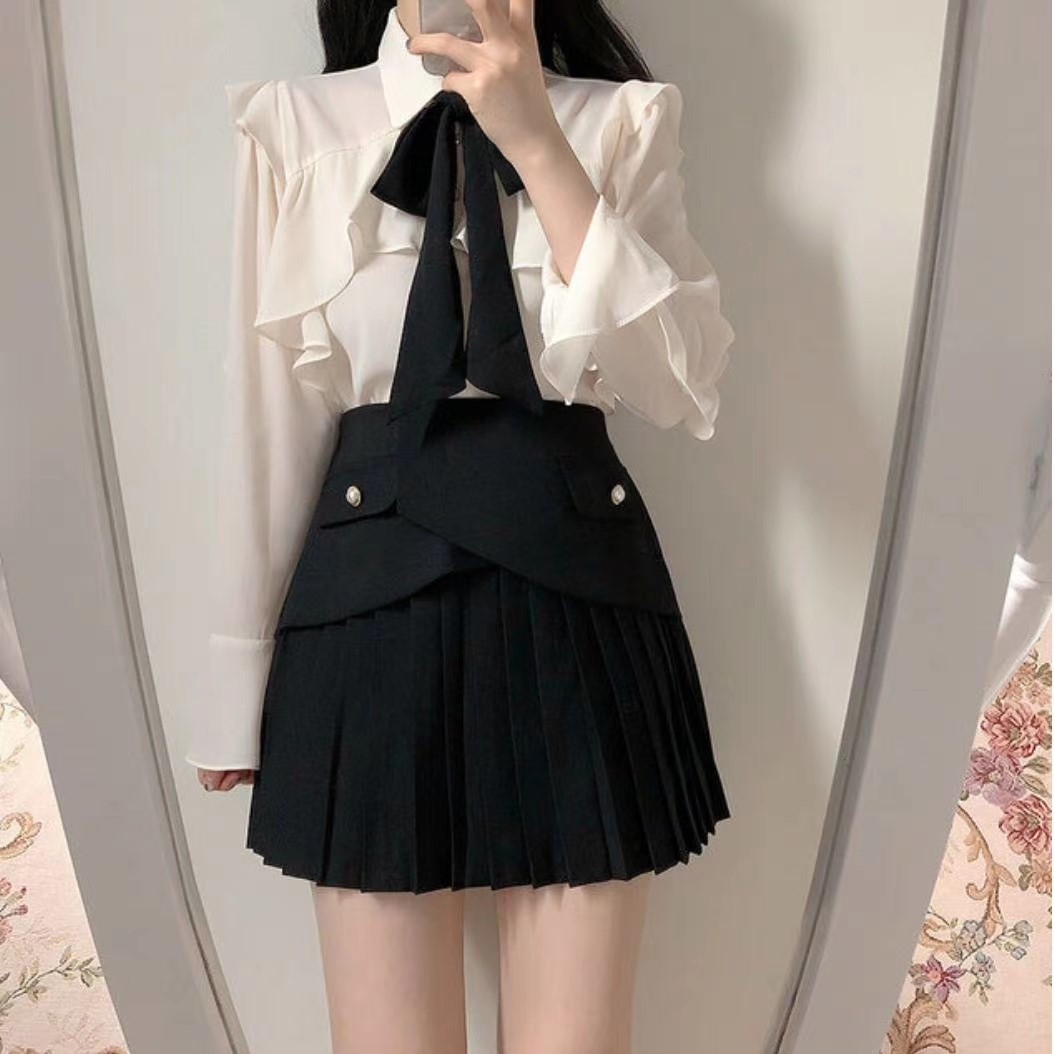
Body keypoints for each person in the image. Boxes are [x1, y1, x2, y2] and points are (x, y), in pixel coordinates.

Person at [185, 0, 735, 1049]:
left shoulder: (621, 122)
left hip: (580, 613)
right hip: (365, 619)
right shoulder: (296, 130)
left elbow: (678, 383)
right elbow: (265, 413)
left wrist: (538, 141)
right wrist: (235, 679)